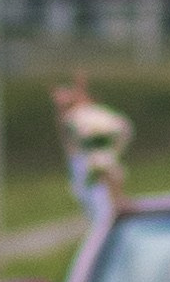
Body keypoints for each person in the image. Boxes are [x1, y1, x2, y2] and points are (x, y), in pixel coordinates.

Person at [51, 76, 132, 226]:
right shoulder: (73, 117)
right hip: (81, 158)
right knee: (90, 193)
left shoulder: (88, 115)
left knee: (99, 190)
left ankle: (109, 215)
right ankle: (105, 218)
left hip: (88, 157)